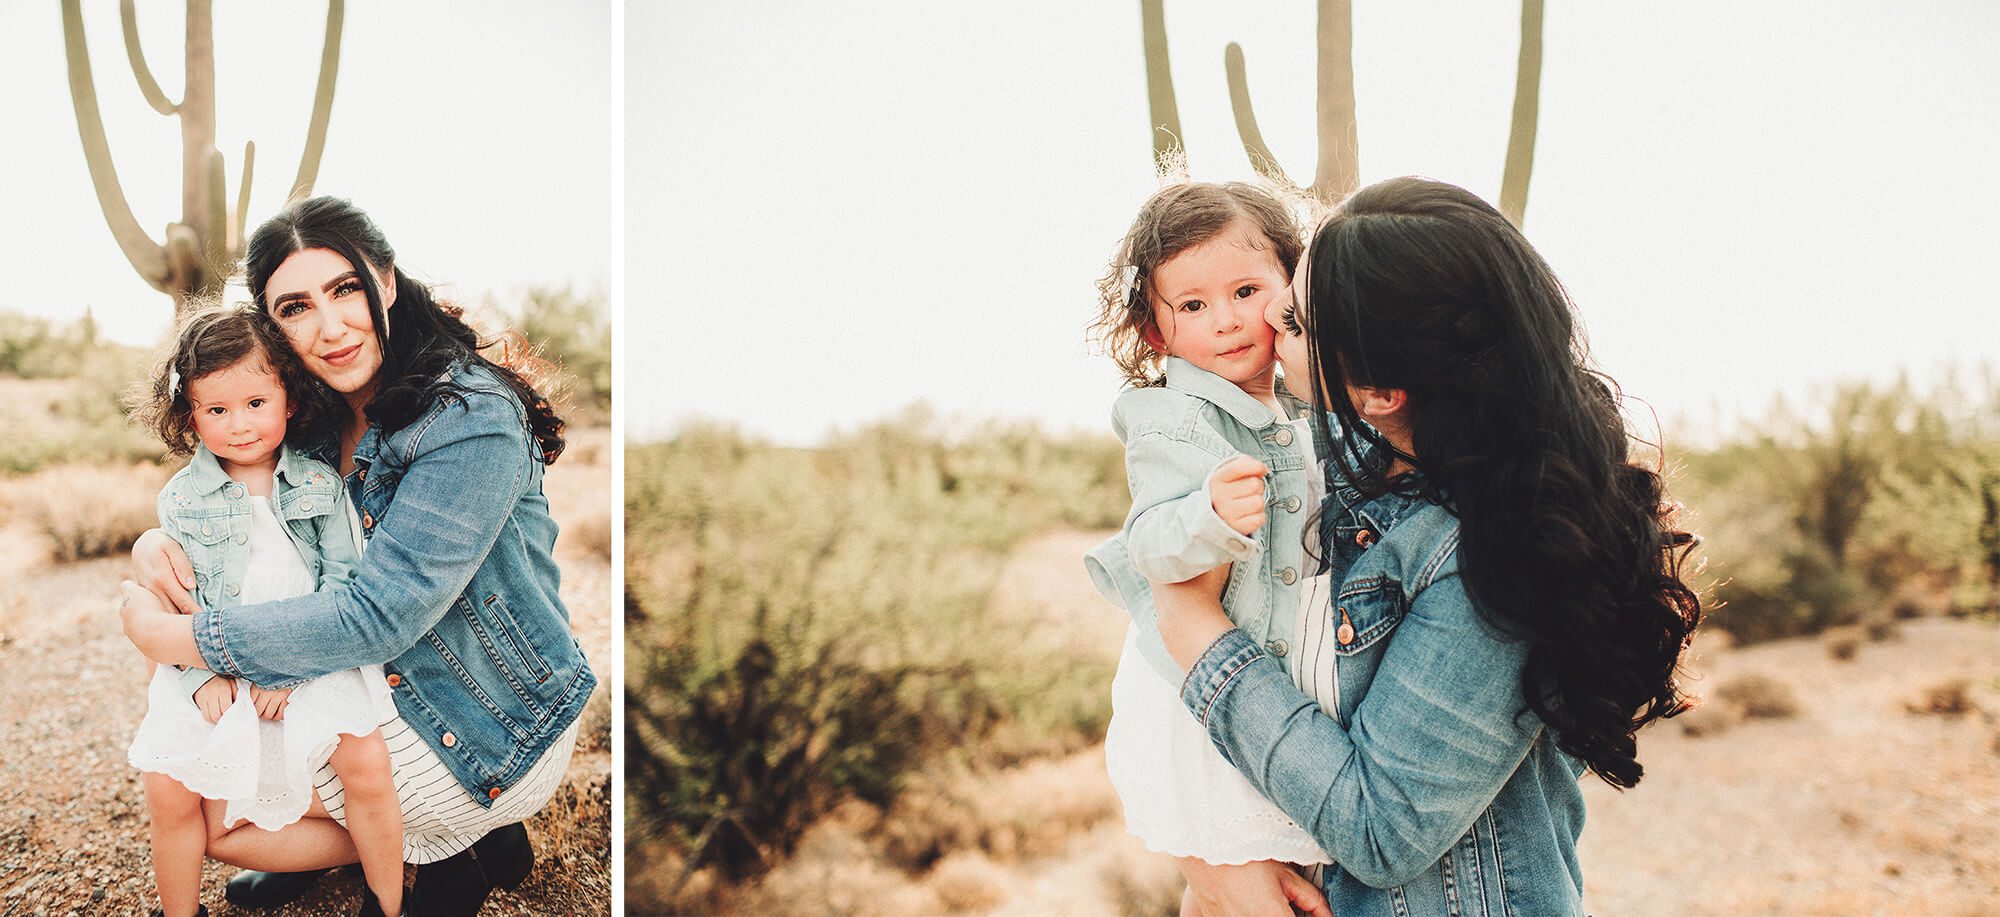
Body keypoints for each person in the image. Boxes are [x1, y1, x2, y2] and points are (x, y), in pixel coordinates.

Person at [1149, 176, 1703, 916]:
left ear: (1382, 392)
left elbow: (1383, 830)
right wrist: (1212, 862)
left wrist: (1195, 631)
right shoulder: (1370, 464)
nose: (1269, 318)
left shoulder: (1490, 557)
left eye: (1300, 320)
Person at [118, 196, 597, 916]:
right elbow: (256, 542)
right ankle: (432, 839)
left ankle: (459, 848)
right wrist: (152, 543)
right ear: (272, 329)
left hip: (484, 713)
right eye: (296, 306)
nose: (331, 325)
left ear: (387, 282)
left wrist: (182, 638)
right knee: (195, 787)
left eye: (345, 289)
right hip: (371, 677)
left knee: (229, 820)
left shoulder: (468, 417)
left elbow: (376, 614)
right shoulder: (307, 416)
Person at [1078, 181, 1336, 915]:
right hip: (1202, 693)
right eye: (1192, 306)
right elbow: (1150, 542)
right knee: (1236, 871)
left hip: (1283, 680)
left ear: (1291, 285)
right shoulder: (1172, 418)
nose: (1225, 321)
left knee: (1255, 883)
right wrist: (1208, 516)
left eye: (1247, 289)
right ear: (1157, 333)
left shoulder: (1309, 403)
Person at [125, 305, 405, 917]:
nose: (240, 425)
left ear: (289, 401)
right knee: (169, 790)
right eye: (217, 410)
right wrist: (203, 678)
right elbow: (181, 603)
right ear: (190, 416)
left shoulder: (320, 484)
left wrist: (289, 670)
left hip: (310, 649)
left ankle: (388, 903)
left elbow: (342, 580)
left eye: (256, 403)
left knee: (364, 760)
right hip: (211, 663)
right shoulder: (181, 498)